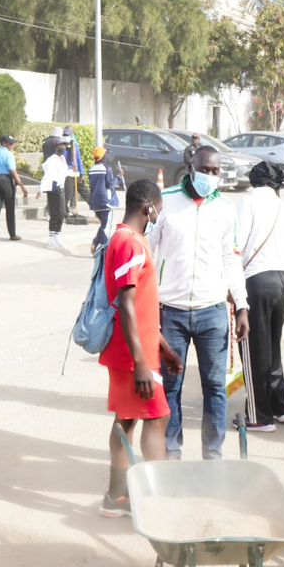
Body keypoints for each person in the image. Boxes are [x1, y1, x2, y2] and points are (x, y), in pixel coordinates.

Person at [152, 145, 250, 460]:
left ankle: (213, 454)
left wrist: (242, 305)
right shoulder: (165, 202)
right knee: (171, 387)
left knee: (216, 388)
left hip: (213, 313)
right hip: (172, 314)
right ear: (191, 166)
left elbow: (231, 260)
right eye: (204, 169)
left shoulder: (226, 209)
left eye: (215, 171)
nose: (210, 176)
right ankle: (172, 451)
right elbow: (148, 252)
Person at [99, 180, 181, 516]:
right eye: (158, 209)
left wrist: (162, 347)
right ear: (147, 206)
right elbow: (127, 304)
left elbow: (142, 306)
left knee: (128, 421)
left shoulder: (130, 239)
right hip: (133, 356)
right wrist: (142, 363)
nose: (158, 215)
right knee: (158, 417)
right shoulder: (128, 243)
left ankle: (116, 496)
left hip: (139, 351)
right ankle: (152, 496)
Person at [237, 161, 284, 432]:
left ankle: (259, 416)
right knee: (272, 346)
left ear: (254, 180)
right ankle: (280, 406)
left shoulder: (248, 202)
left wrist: (233, 290)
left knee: (253, 350)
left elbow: (236, 246)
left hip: (257, 280)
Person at [0, 135, 26, 241]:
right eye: (11, 143)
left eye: (13, 143)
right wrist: (21, 185)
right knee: (10, 209)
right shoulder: (9, 154)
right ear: (4, 143)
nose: (13, 145)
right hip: (6, 181)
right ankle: (12, 234)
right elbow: (12, 170)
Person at [88, 145, 121, 254]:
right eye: (105, 154)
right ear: (102, 157)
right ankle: (103, 250)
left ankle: (95, 242)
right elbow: (111, 184)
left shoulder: (92, 169)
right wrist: (119, 177)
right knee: (106, 227)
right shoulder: (107, 168)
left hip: (95, 203)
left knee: (103, 225)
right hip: (106, 202)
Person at [40, 139, 70, 250]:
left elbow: (64, 172)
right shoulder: (51, 160)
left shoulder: (62, 158)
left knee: (62, 213)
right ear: (56, 146)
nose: (64, 147)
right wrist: (42, 189)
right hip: (53, 188)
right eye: (62, 145)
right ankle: (51, 238)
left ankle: (56, 235)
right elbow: (48, 175)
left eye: (65, 145)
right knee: (55, 213)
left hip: (61, 187)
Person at [62, 126, 85, 215]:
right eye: (65, 134)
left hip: (75, 173)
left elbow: (78, 160)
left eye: (67, 134)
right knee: (68, 193)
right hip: (66, 173)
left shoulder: (75, 145)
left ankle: (72, 208)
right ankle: (65, 210)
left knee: (75, 192)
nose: (66, 136)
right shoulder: (61, 145)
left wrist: (82, 172)